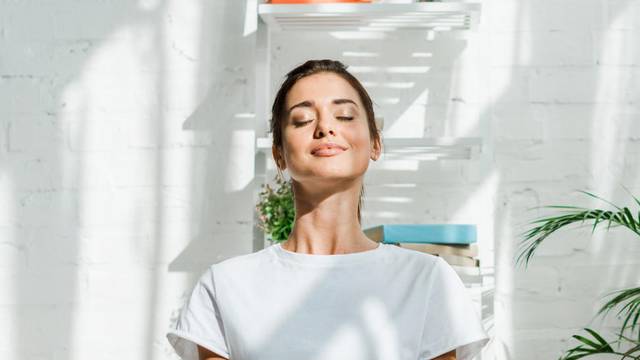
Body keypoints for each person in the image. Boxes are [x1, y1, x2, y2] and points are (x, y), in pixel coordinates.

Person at [166, 59, 490, 360]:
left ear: (375, 143)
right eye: (302, 119)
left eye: (345, 116)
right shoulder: (226, 285)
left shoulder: (427, 279)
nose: (324, 127)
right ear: (279, 154)